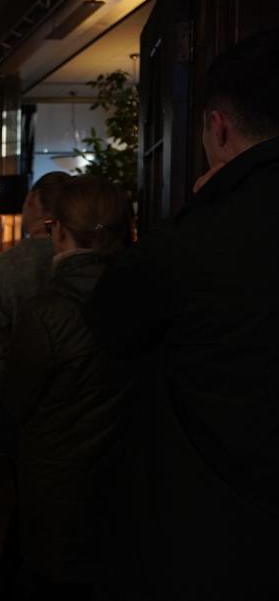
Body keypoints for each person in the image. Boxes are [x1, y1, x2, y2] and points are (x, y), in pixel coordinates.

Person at [89, 30, 279, 601]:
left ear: (218, 127)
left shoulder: (193, 240)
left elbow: (111, 327)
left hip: (220, 523)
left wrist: (200, 209)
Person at [0, 176, 132, 601]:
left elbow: (16, 401)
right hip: (132, 479)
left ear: (58, 230)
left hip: (59, 482)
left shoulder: (44, 314)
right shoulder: (150, 299)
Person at [0, 170, 70, 601]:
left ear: (32, 202)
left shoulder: (5, 265)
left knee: (27, 495)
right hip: (81, 400)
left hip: (20, 400)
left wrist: (12, 385)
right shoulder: (90, 261)